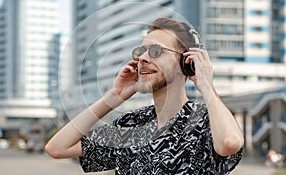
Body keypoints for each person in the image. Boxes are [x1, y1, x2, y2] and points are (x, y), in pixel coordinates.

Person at [45, 17, 244, 174]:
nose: (142, 58)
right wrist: (114, 97)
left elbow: (229, 143)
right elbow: (58, 148)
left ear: (186, 62)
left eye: (156, 51)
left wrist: (207, 86)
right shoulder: (132, 124)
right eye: (141, 51)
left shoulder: (204, 120)